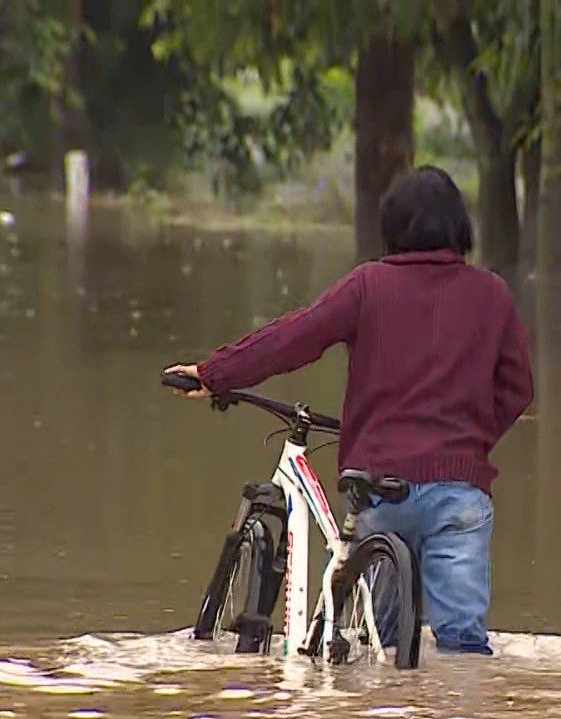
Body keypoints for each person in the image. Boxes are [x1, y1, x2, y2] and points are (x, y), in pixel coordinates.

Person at [166, 164, 534, 656]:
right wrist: (466, 444)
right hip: (459, 497)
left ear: (394, 227)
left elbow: (294, 338)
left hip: (382, 489)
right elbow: (518, 388)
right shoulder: (493, 295)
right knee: (463, 649)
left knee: (372, 649)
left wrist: (215, 373)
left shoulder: (368, 286)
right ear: (459, 228)